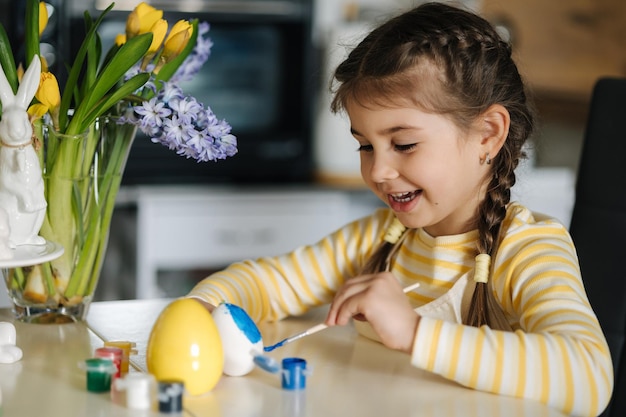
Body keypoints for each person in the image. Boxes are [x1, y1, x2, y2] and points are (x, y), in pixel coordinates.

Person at [187, 2, 613, 416]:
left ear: (487, 134)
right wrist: (201, 311)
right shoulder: (378, 237)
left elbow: (590, 378)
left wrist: (414, 333)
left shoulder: (528, 249)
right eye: (366, 146)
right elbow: (266, 282)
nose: (380, 170)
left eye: (404, 144)